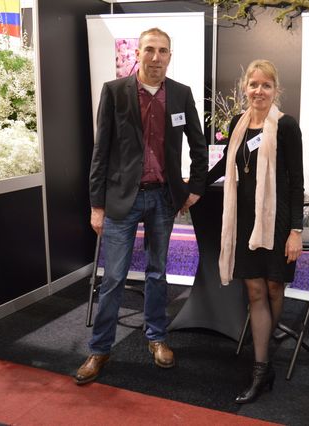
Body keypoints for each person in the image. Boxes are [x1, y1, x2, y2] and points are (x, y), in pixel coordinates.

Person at [75, 27, 208, 385]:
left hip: (163, 198)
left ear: (170, 56)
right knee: (114, 277)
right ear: (137, 53)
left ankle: (157, 337)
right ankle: (100, 348)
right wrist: (96, 205)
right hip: (122, 198)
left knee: (157, 273)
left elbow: (198, 145)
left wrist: (195, 188)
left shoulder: (181, 94)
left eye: (162, 51)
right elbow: (101, 151)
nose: (156, 57)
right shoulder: (114, 91)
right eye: (149, 49)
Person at [206, 59, 304, 403]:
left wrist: (296, 231)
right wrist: (195, 186)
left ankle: (266, 346)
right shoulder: (238, 124)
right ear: (244, 88)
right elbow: (226, 163)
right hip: (245, 221)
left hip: (277, 222)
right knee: (255, 292)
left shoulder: (286, 126)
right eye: (253, 84)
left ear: (275, 90)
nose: (259, 91)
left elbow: (296, 182)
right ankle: (262, 369)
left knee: (274, 287)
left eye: (266, 85)